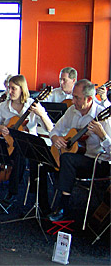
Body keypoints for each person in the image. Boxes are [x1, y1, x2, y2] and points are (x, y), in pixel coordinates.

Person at [0, 74, 54, 213]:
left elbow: (51, 129)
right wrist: (1, 128)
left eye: (13, 88)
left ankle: (14, 195)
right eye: (8, 88)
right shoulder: (3, 106)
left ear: (22, 89)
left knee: (25, 154)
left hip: (31, 148)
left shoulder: (32, 105)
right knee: (18, 153)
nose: (9, 91)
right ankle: (29, 198)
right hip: (8, 146)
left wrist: (41, 114)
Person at [49, 79, 111, 221]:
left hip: (99, 163)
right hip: (79, 158)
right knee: (45, 159)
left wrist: (102, 135)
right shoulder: (72, 110)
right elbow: (55, 130)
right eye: (73, 96)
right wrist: (55, 138)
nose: (73, 100)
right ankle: (43, 206)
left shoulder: (104, 116)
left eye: (76, 97)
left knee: (66, 159)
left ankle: (63, 206)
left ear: (89, 99)